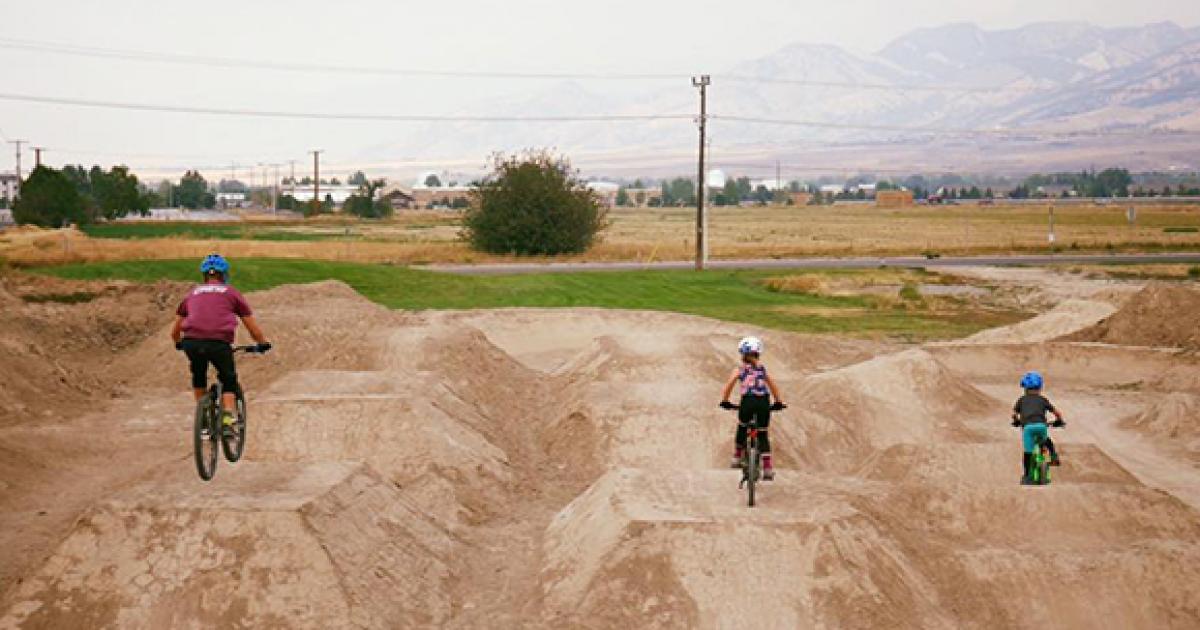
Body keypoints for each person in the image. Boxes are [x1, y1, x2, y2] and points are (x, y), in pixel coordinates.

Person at [171, 254, 271, 434]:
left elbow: (175, 331)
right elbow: (252, 327)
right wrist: (262, 343)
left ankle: (203, 421)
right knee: (228, 379)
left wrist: (179, 343)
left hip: (191, 342)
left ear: (204, 276)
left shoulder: (192, 293)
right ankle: (227, 419)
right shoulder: (231, 293)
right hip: (218, 343)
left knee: (198, 375)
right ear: (224, 275)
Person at [719, 336, 786, 481]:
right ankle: (767, 468)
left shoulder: (739, 370)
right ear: (758, 354)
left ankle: (737, 456)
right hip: (763, 402)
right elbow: (773, 386)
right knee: (762, 433)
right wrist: (778, 402)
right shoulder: (762, 370)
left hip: (747, 402)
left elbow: (729, 385)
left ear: (742, 354)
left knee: (742, 426)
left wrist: (725, 401)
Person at [1011, 371, 1065, 485]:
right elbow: (1057, 413)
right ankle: (1053, 456)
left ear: (1025, 388)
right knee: (1045, 441)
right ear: (1040, 387)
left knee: (1028, 453)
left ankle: (1027, 477)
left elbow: (1014, 415)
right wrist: (1059, 421)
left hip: (1028, 428)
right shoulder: (1043, 399)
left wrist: (1016, 421)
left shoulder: (1021, 400)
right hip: (1041, 426)